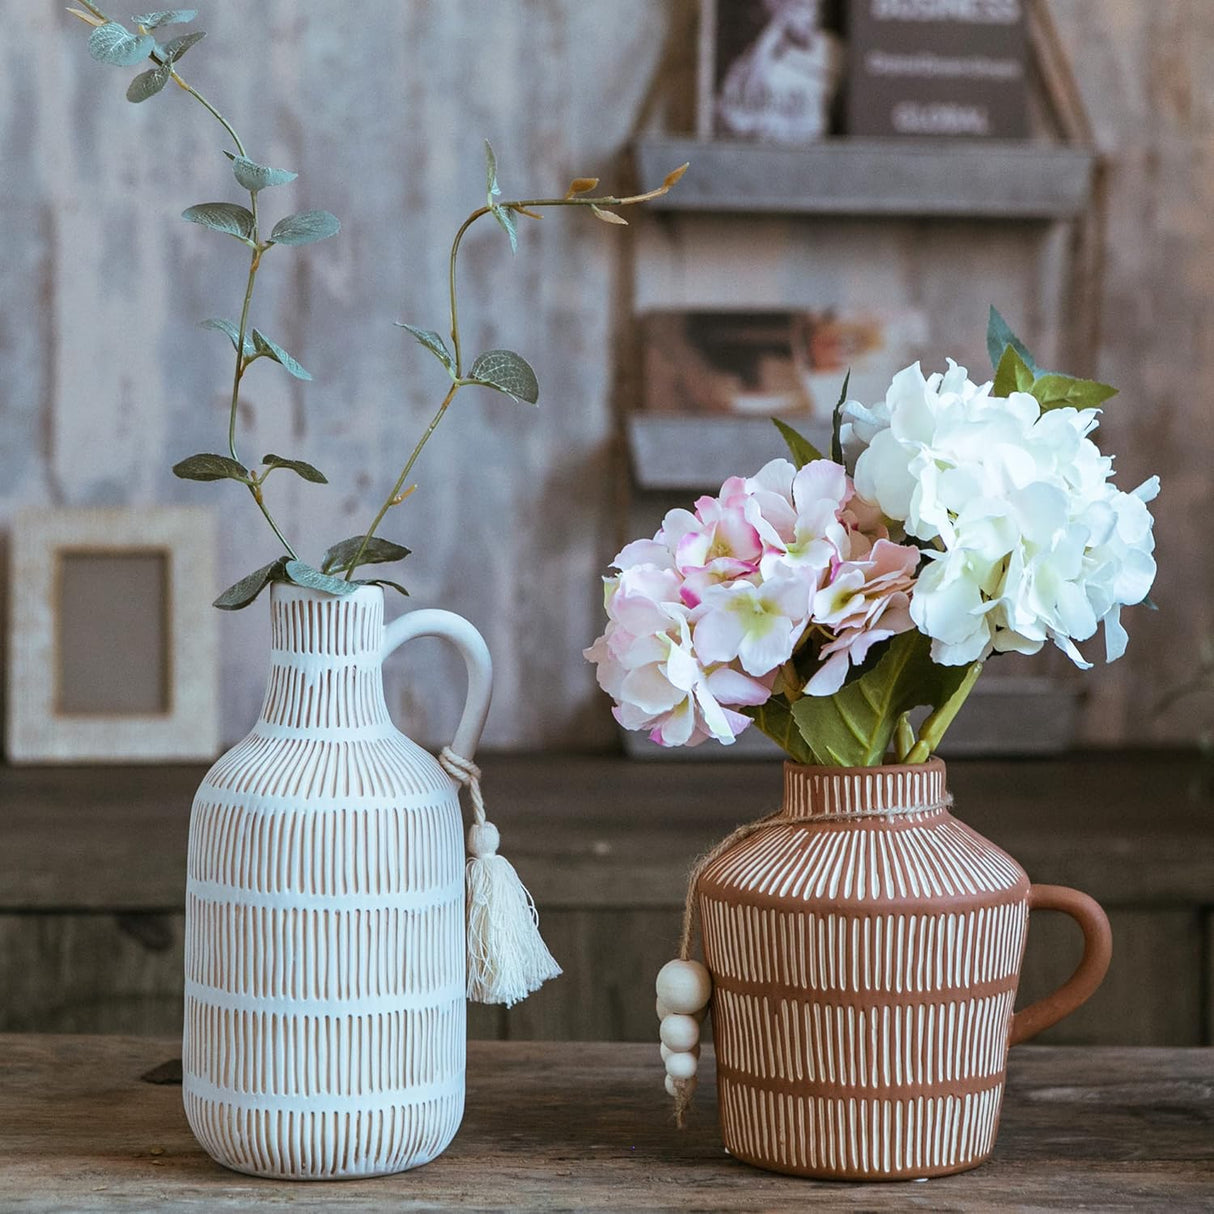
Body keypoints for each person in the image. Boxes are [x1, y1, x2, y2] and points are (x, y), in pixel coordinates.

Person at [716, 0, 841, 143]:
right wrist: (771, 37)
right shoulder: (751, 56)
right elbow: (735, 117)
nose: (813, 15)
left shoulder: (831, 50)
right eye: (801, 6)